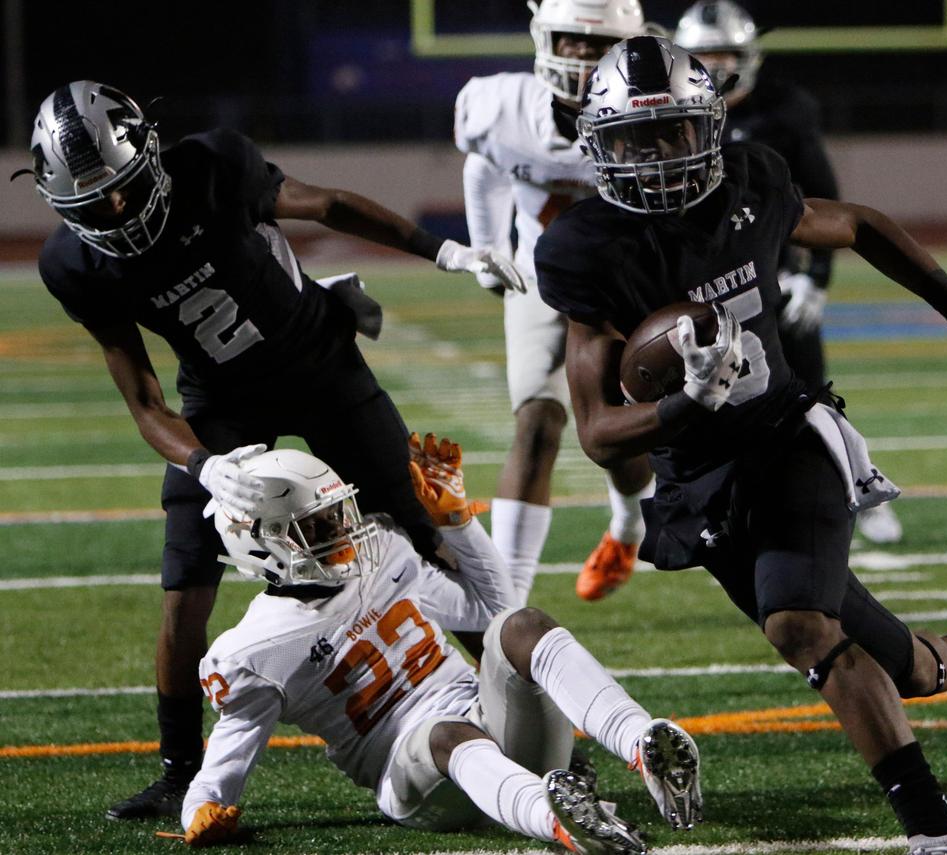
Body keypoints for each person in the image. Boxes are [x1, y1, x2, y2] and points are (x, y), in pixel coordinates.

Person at [534, 37, 947, 854]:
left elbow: (858, 223)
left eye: (675, 133)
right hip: (699, 481)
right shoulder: (585, 249)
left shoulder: (753, 182)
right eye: (635, 141)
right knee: (906, 668)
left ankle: (936, 835)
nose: (656, 159)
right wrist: (687, 402)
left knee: (799, 627)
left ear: (711, 126)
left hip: (790, 438)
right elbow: (596, 432)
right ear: (599, 147)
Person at [16, 80, 525, 821]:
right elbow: (145, 402)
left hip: (318, 359)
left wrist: (438, 248)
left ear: (150, 161)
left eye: (123, 191)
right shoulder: (73, 264)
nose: (118, 215)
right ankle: (178, 769)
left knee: (422, 529)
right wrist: (207, 466)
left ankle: (529, 718)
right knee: (185, 581)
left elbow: (326, 205)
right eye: (95, 207)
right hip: (219, 401)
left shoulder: (212, 168)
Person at [162, 437, 701, 853]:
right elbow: (229, 755)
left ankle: (642, 744)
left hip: (492, 721)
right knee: (447, 733)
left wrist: (458, 523)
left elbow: (496, 612)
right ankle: (561, 820)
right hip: (414, 776)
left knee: (523, 625)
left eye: (339, 514)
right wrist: (202, 808)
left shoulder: (383, 554)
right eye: (317, 526)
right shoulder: (256, 650)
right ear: (259, 543)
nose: (344, 532)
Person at [674, 0, 903, 545]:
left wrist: (815, 277)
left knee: (809, 390)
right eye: (704, 56)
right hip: (696, 278)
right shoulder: (670, 112)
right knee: (692, 397)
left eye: (726, 54)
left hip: (770, 273)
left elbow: (826, 202)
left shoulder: (785, 109)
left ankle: (856, 488)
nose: (717, 67)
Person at [454, 0, 657, 604]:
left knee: (616, 437)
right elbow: (484, 164)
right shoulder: (498, 109)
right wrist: (487, 245)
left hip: (629, 281)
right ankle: (507, 603)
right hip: (543, 277)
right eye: (570, 40)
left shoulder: (651, 112)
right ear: (545, 36)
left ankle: (628, 524)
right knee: (537, 421)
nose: (581, 56)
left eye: (597, 45)